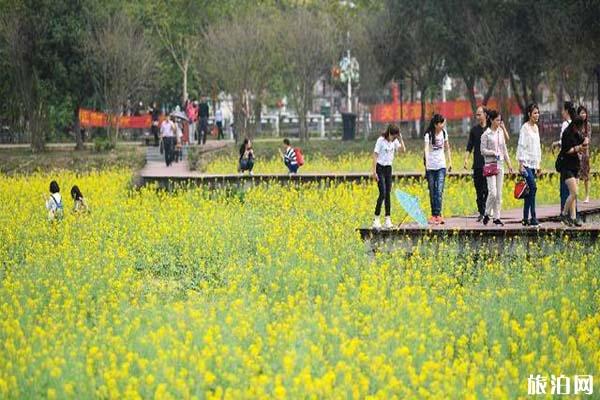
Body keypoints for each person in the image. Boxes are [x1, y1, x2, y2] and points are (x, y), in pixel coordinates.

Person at [480, 110, 513, 226]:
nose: (499, 122)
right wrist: (493, 153)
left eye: (500, 120)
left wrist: (509, 164)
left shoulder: (500, 132)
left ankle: (496, 217)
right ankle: (487, 213)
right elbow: (482, 151)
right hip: (490, 165)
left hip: (500, 164)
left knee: (499, 194)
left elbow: (504, 149)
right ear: (492, 120)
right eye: (497, 120)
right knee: (492, 192)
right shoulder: (486, 134)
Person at [372, 124, 404, 229]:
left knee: (388, 194)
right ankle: (376, 218)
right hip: (380, 168)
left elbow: (402, 150)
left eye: (396, 136)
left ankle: (387, 219)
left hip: (388, 169)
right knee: (383, 193)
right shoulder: (380, 141)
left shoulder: (394, 141)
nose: (394, 138)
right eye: (393, 136)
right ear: (389, 133)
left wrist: (400, 139)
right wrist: (374, 172)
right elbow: (375, 155)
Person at [516, 103, 542, 227]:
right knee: (533, 188)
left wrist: (538, 165)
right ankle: (533, 217)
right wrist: (520, 164)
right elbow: (521, 146)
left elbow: (537, 148)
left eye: (538, 113)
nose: (537, 115)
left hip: (533, 164)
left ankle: (525, 218)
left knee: (528, 191)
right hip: (525, 164)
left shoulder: (536, 128)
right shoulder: (524, 128)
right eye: (535, 113)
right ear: (529, 114)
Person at [559, 117, 588, 226]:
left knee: (574, 195)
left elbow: (583, 142)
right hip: (566, 166)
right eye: (578, 128)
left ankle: (573, 218)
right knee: (574, 192)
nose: (579, 130)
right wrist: (578, 148)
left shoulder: (577, 133)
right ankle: (563, 214)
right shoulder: (567, 133)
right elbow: (567, 150)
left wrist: (585, 142)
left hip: (575, 166)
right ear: (574, 125)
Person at [424, 114, 452, 224]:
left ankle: (438, 214)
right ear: (436, 124)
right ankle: (433, 214)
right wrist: (426, 164)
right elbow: (426, 149)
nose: (443, 125)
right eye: (441, 123)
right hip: (431, 167)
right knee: (432, 191)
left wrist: (450, 162)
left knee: (439, 190)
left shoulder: (444, 133)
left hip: (441, 166)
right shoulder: (428, 135)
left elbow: (447, 148)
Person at [464, 106, 489, 221]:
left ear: (485, 114)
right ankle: (481, 212)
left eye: (480, 114)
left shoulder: (490, 129)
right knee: (479, 190)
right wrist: (466, 159)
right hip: (478, 165)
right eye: (477, 115)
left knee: (487, 189)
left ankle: (487, 211)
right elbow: (469, 146)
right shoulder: (474, 130)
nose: (478, 116)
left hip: (489, 164)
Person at [553, 101, 578, 212]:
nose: (562, 112)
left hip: (566, 161)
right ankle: (574, 215)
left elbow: (565, 143)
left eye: (563, 110)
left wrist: (558, 144)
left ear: (566, 111)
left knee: (565, 189)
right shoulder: (575, 124)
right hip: (575, 160)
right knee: (574, 190)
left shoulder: (565, 124)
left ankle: (564, 214)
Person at [577, 105, 592, 203]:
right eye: (581, 113)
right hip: (577, 154)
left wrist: (581, 144)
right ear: (578, 114)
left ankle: (587, 196)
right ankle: (576, 195)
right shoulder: (576, 125)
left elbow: (587, 140)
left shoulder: (588, 125)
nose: (583, 115)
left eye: (585, 112)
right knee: (576, 175)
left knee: (586, 176)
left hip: (585, 154)